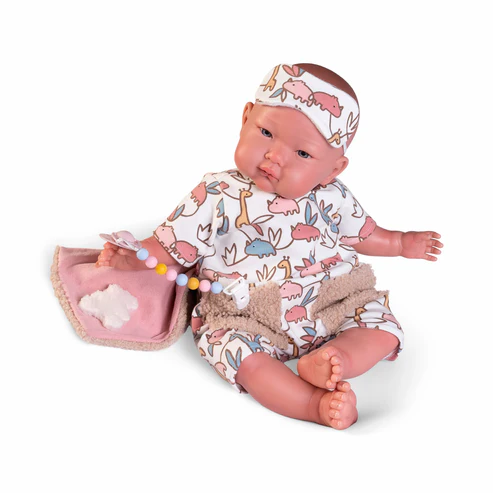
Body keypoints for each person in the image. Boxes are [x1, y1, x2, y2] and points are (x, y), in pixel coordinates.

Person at [96, 63, 443, 429]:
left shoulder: (333, 197)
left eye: (303, 154)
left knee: (382, 327)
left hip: (330, 302)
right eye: (266, 133)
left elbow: (364, 234)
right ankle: (314, 404)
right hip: (246, 314)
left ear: (332, 170)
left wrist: (400, 242)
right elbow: (171, 244)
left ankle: (336, 358)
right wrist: (135, 257)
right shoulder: (217, 194)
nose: (275, 156)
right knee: (237, 354)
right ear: (246, 118)